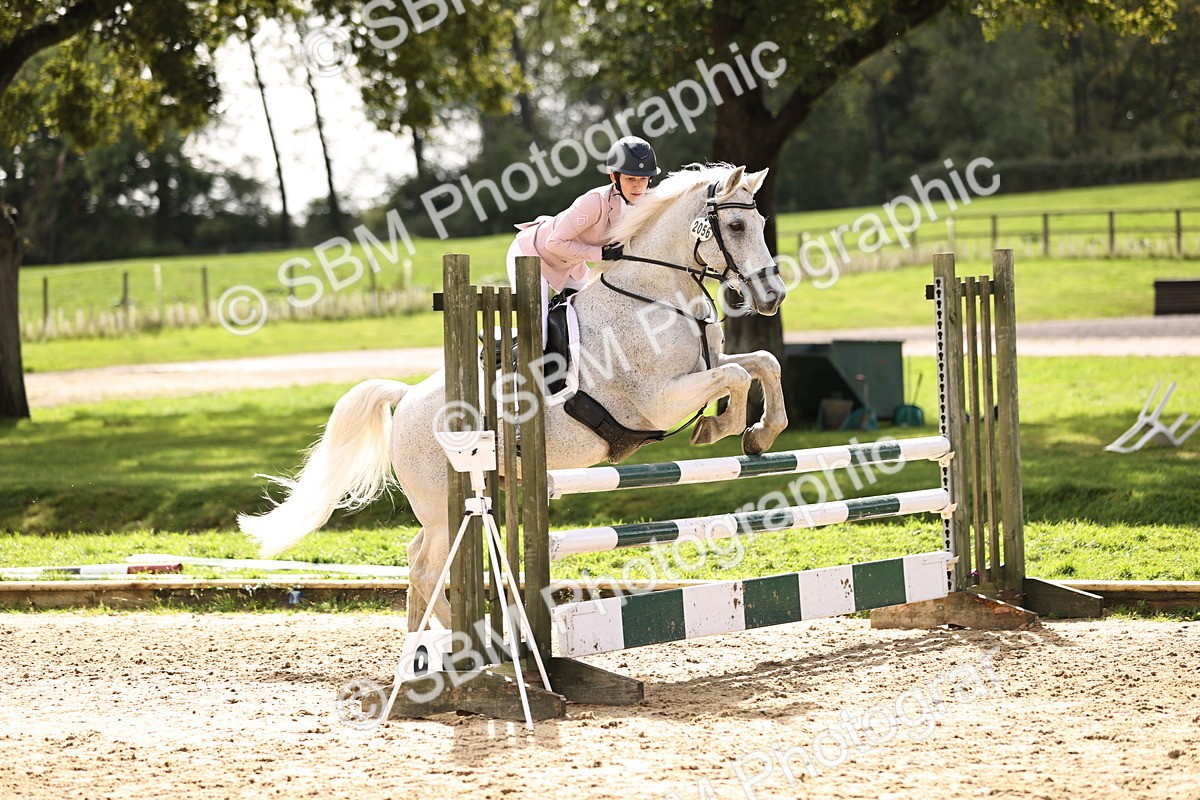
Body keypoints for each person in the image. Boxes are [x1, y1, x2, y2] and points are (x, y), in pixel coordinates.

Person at [506, 136, 660, 341]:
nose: (638, 186)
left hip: (571, 265)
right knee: (537, 334)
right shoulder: (594, 202)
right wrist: (600, 254)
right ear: (614, 177)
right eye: (630, 179)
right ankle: (510, 347)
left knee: (597, 310)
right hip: (532, 257)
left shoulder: (643, 205)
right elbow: (553, 243)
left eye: (643, 179)